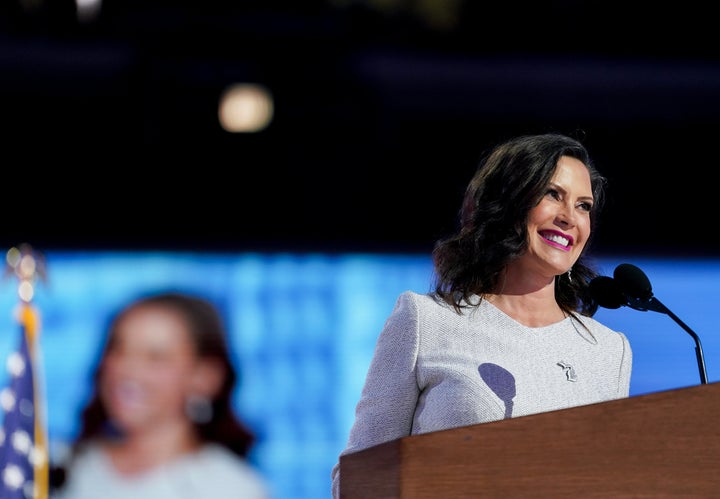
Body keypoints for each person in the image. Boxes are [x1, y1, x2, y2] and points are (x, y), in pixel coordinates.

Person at [330, 132, 632, 497]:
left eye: (584, 206)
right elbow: (360, 476)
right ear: (506, 203)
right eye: (553, 194)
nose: (570, 217)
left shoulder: (608, 351)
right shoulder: (427, 321)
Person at [51, 291, 272, 499]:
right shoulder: (63, 466)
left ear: (205, 377)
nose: (127, 371)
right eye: (118, 349)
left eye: (156, 357)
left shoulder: (231, 489)